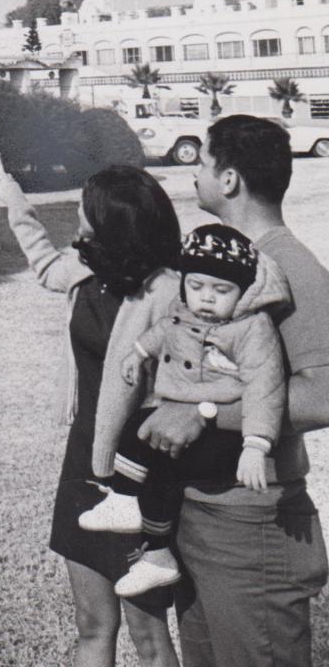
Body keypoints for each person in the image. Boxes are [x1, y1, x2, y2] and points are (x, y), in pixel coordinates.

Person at [134, 115, 329, 667]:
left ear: (229, 180)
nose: (192, 173)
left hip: (253, 524)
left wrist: (200, 412)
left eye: (202, 162)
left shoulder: (292, 266)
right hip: (201, 510)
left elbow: (323, 395)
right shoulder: (222, 262)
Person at [0, 155, 182, 667]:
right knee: (92, 626)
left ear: (113, 222)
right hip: (82, 461)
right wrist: (14, 199)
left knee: (148, 635)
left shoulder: (167, 291)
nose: (78, 216)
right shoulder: (89, 268)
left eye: (85, 209)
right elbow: (47, 266)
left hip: (137, 471)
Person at [77, 222, 289, 599]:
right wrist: (139, 353)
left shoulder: (252, 328)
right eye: (196, 286)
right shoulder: (185, 310)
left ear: (244, 291)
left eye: (221, 290)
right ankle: (136, 520)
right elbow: (165, 329)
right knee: (137, 432)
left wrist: (256, 444)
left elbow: (265, 387)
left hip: (221, 427)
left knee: (163, 466)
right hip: (176, 410)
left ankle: (154, 549)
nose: (206, 298)